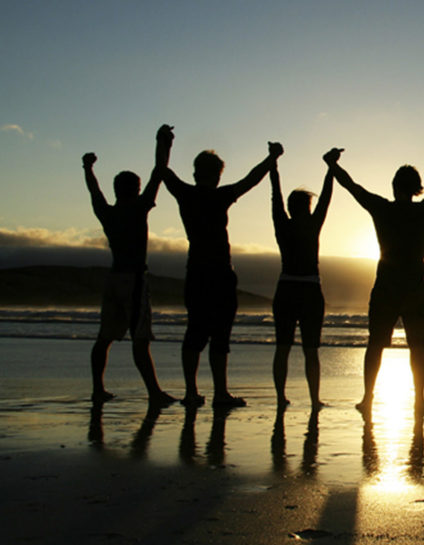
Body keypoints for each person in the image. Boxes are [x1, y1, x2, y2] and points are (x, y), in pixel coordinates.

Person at [326, 151, 424, 415]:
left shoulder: (383, 208)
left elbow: (353, 187)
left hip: (387, 285)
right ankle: (418, 399)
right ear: (417, 189)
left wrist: (332, 165)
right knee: (416, 345)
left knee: (376, 343)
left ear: (395, 186)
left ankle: (368, 398)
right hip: (412, 287)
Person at [162, 138, 284, 407]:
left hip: (197, 272)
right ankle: (219, 393)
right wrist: (272, 158)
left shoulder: (187, 194)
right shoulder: (218, 196)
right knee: (219, 335)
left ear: (196, 173)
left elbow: (162, 169)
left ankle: (192, 392)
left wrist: (165, 143)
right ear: (218, 175)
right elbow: (251, 180)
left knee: (195, 331)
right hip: (220, 273)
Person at [82, 125, 176, 406]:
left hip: (114, 278)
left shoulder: (107, 212)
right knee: (140, 339)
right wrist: (163, 141)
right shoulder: (138, 207)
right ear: (135, 190)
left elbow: (94, 190)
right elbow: (158, 171)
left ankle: (98, 389)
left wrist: (87, 168)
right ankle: (154, 393)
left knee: (105, 338)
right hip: (134, 279)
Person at [269, 148, 337, 408]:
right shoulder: (311, 223)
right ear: (307, 207)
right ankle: (314, 399)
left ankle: (280, 397)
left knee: (283, 347)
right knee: (311, 350)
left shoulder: (282, 224)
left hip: (286, 288)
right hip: (309, 289)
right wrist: (331, 167)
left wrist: (274, 165)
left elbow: (275, 195)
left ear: (289, 207)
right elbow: (327, 198)